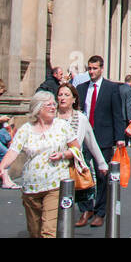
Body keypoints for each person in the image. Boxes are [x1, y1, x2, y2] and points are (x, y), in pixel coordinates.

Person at [0, 91, 76, 238]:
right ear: (38, 109)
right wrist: (1, 167)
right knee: (35, 232)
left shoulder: (62, 126)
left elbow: (76, 148)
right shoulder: (26, 129)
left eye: (53, 104)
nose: (53, 107)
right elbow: (13, 151)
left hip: (55, 184)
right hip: (31, 187)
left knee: (48, 232)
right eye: (48, 104)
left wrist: (63, 154)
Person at [77, 55, 129, 226]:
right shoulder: (81, 88)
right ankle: (85, 209)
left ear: (101, 69)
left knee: (102, 175)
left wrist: (119, 137)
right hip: (84, 137)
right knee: (82, 173)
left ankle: (100, 211)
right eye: (89, 69)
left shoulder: (111, 88)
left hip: (103, 137)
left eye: (94, 68)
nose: (91, 72)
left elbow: (117, 114)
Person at [56, 83, 108, 227]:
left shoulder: (80, 118)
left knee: (69, 201)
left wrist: (102, 163)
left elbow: (91, 142)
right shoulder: (51, 116)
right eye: (60, 95)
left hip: (73, 165)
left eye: (66, 95)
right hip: (53, 167)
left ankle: (82, 214)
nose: (62, 98)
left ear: (74, 99)